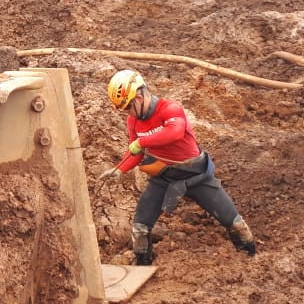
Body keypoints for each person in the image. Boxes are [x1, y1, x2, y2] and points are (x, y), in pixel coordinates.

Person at [95, 69, 257, 266]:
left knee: (235, 224)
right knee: (139, 228)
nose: (127, 113)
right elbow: (135, 152)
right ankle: (142, 265)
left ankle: (252, 260)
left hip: (197, 174)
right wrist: (119, 170)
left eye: (128, 107)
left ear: (138, 96)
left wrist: (143, 141)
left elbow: (175, 132)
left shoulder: (169, 109)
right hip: (164, 176)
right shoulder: (133, 120)